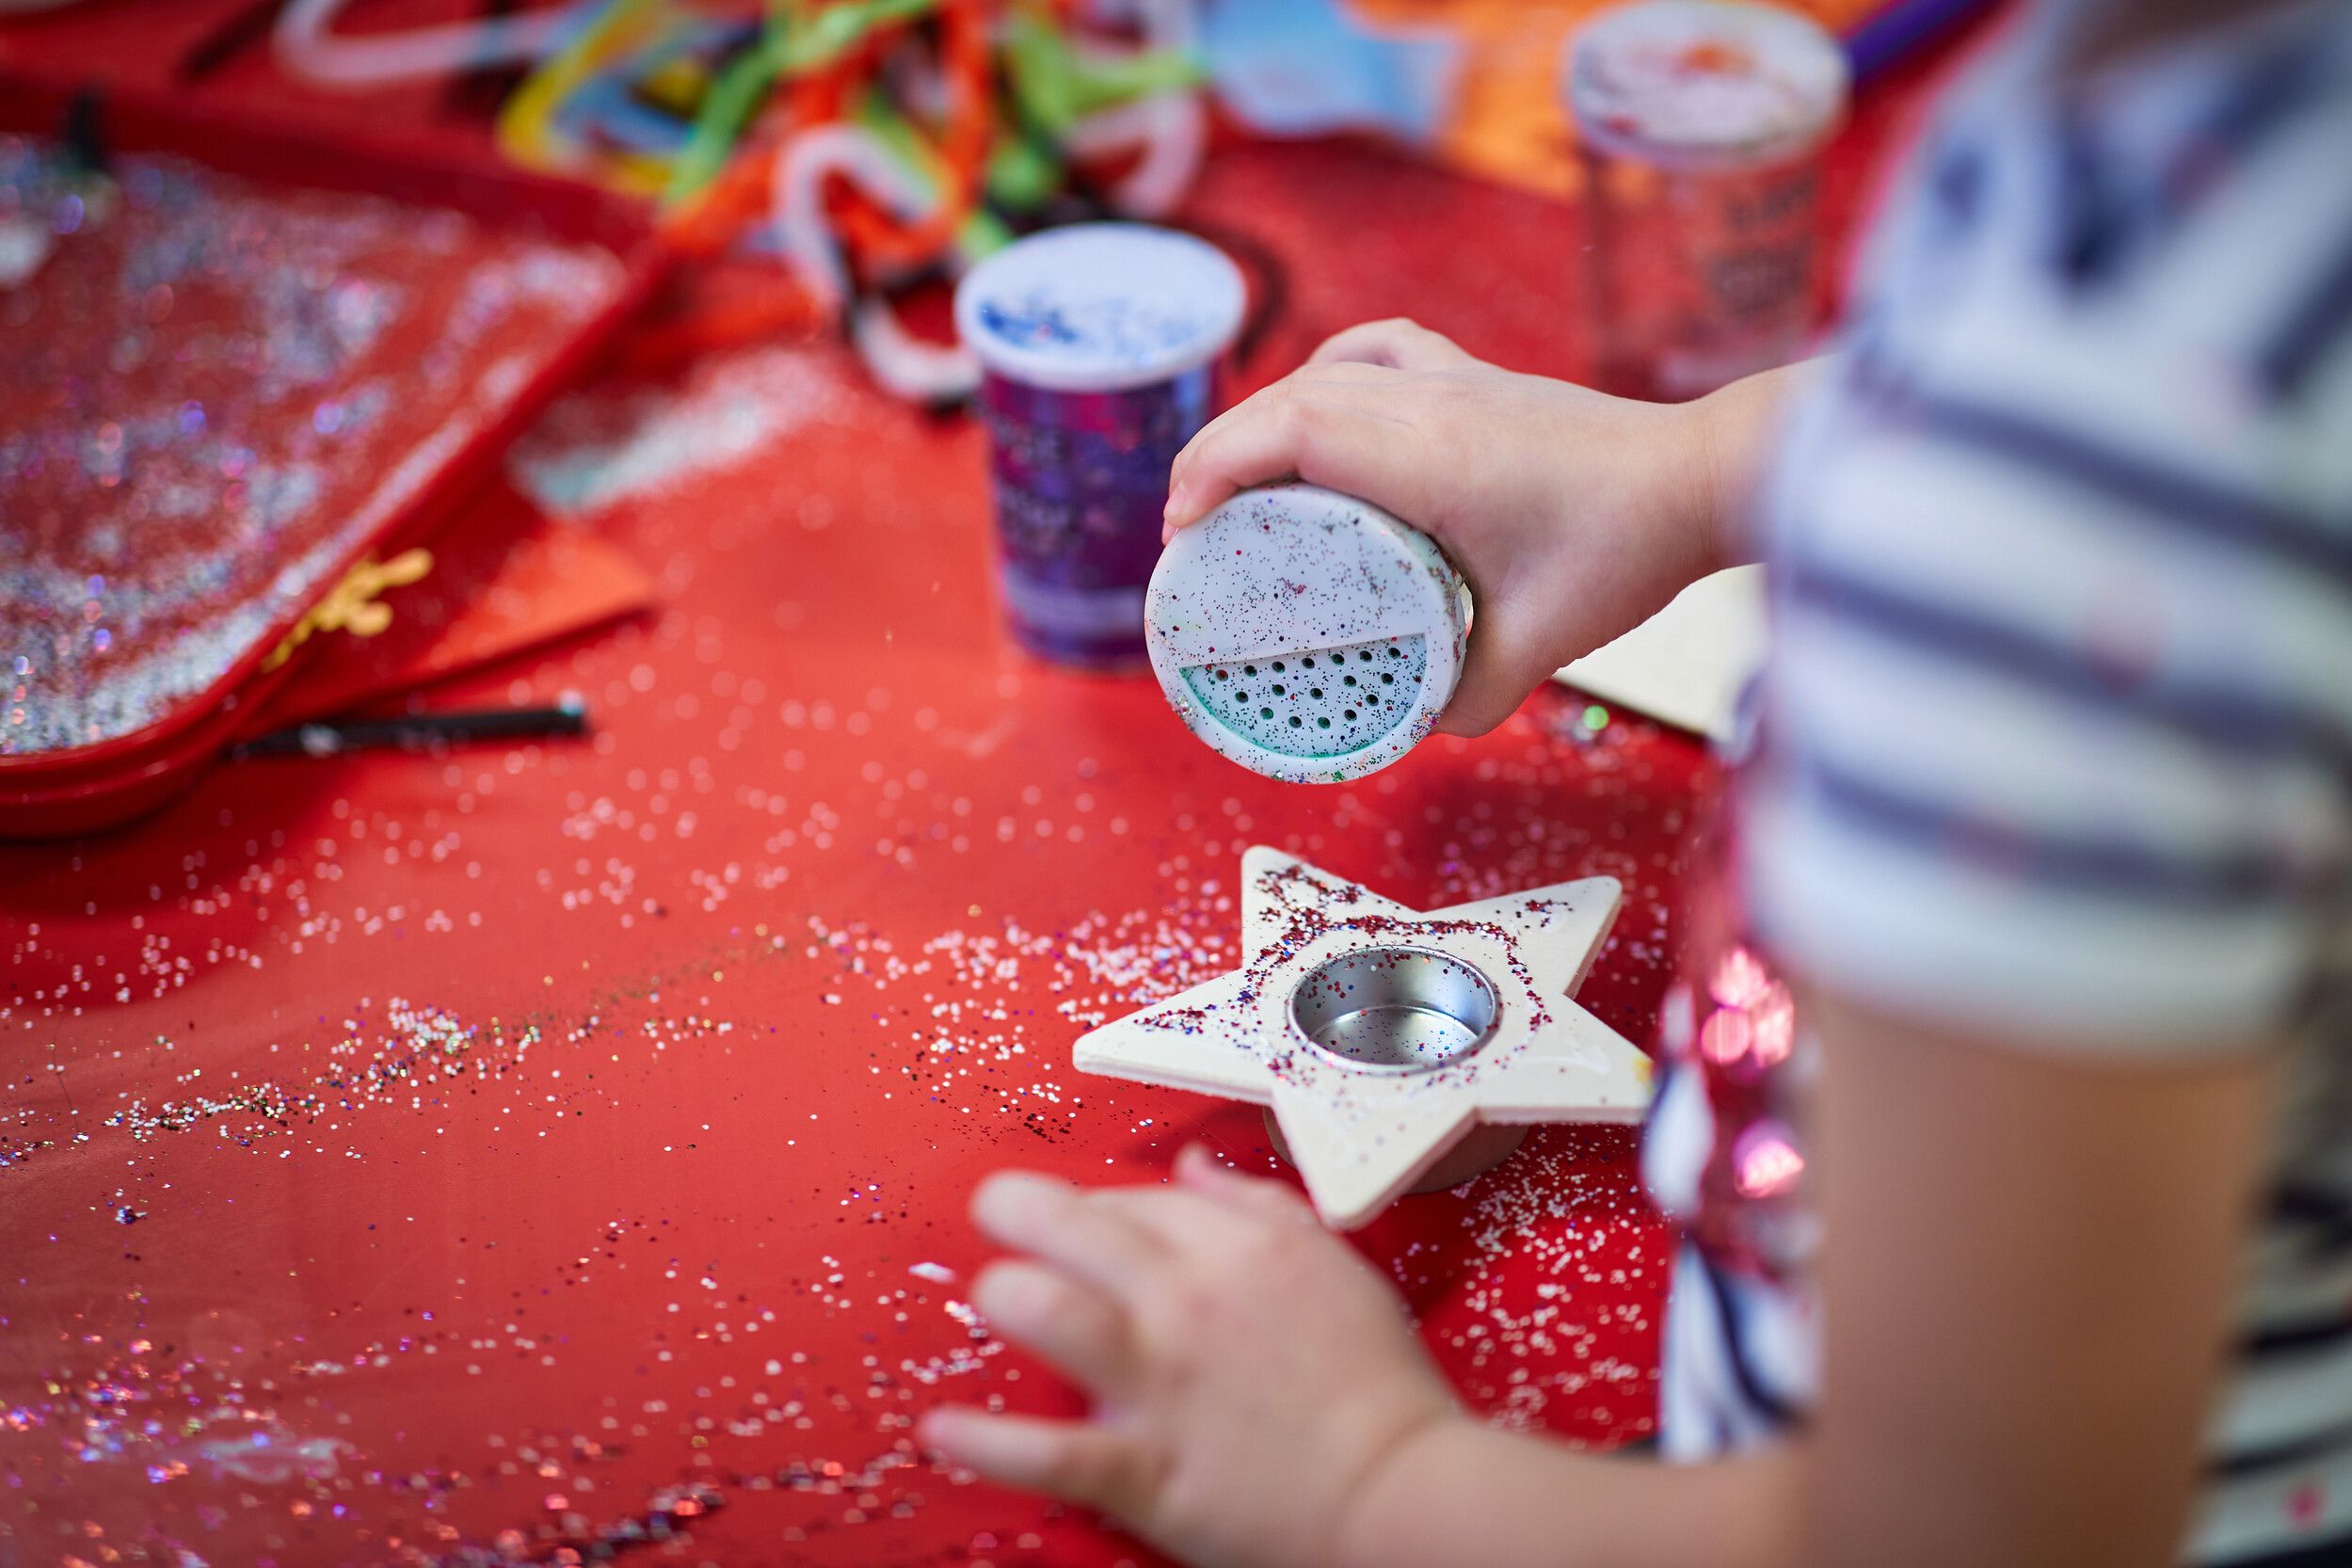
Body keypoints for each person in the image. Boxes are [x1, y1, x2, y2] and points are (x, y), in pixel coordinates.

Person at [918, 0, 2352, 1562]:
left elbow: (1976, 1533)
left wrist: (1363, 1483)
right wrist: (1687, 469)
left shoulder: (2080, 451)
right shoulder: (2239, 168)